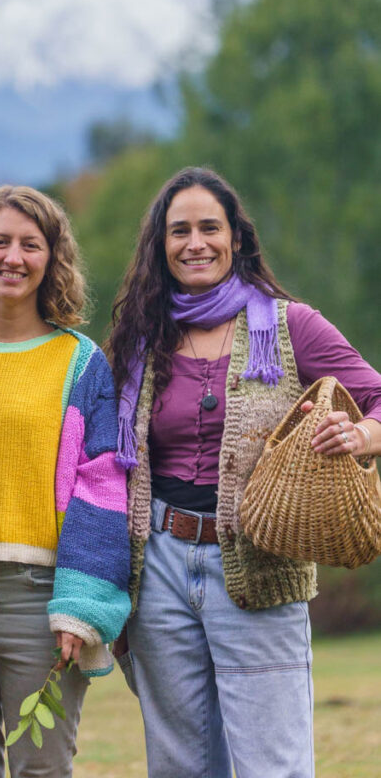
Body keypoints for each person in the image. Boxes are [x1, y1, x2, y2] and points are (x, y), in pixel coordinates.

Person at [109, 166, 381, 778]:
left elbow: (377, 397)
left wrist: (359, 433)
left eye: (210, 227)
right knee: (181, 766)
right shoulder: (142, 339)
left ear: (237, 238)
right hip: (157, 570)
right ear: (161, 246)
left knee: (273, 765)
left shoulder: (289, 327)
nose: (195, 242)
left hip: (260, 566)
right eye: (179, 231)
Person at [0, 184, 131, 778]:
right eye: (0, 241)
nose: (13, 257)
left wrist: (80, 606)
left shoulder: (81, 363)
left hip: (42, 602)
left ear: (51, 260)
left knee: (42, 768)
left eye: (30, 245)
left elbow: (103, 485)